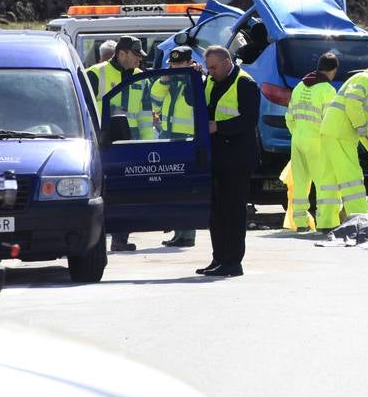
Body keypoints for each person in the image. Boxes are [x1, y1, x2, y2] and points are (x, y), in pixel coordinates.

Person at [196, 45, 260, 278]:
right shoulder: (210, 81)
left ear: (226, 62)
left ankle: (233, 262)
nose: (210, 72)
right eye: (208, 68)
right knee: (217, 213)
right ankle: (219, 258)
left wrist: (218, 127)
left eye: (213, 67)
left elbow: (249, 120)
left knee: (233, 212)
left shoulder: (245, 83)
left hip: (237, 159)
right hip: (216, 157)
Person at [316, 58, 368, 228]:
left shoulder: (366, 82)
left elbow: (366, 125)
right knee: (352, 178)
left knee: (330, 181)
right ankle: (362, 221)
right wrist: (359, 125)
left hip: (331, 132)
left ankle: (326, 223)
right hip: (341, 135)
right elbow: (353, 104)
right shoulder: (366, 79)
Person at [87, 36, 147, 252]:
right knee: (100, 192)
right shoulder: (95, 73)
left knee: (126, 191)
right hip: (104, 143)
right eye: (136, 55)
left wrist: (146, 143)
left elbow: (145, 114)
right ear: (122, 54)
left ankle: (120, 239)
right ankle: (96, 240)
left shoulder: (141, 77)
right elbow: (83, 109)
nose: (139, 59)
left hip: (129, 143)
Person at [286, 51, 339, 231]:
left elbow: (289, 117)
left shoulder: (299, 87)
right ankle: (326, 224)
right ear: (333, 70)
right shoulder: (328, 91)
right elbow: (331, 122)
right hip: (317, 142)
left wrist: (298, 133)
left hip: (298, 140)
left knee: (300, 183)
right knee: (324, 183)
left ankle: (300, 223)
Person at [154, 46, 201, 248]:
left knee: (186, 189)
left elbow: (194, 101)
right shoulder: (169, 80)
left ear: (189, 63)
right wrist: (165, 81)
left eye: (178, 64)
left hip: (187, 138)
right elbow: (153, 99)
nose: (174, 67)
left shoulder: (195, 79)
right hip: (168, 136)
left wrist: (192, 77)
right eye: (171, 64)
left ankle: (187, 235)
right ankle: (178, 232)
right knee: (172, 187)